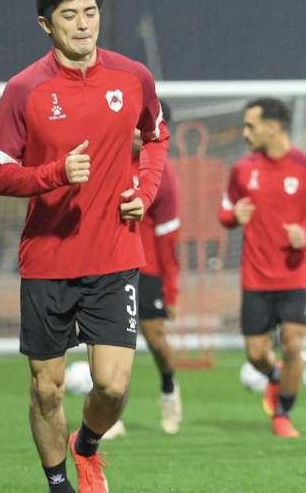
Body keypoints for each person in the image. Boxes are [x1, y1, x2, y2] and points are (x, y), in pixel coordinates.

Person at [0, 0, 168, 493]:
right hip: (47, 260)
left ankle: (86, 444)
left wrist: (146, 190)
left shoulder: (133, 76)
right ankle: (60, 483)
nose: (83, 25)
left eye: (90, 13)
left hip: (114, 255)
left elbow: (156, 137)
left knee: (112, 385)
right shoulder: (24, 89)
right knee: (47, 389)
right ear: (46, 24)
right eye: (69, 16)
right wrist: (54, 173)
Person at [218, 97, 306, 438]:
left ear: (272, 128)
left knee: (292, 343)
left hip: (295, 274)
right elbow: (225, 212)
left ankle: (283, 414)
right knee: (256, 353)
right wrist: (233, 217)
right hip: (256, 275)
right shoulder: (243, 169)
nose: (245, 133)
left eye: (250, 126)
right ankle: (273, 376)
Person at [104, 101, 184, 440]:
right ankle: (109, 416)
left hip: (147, 268)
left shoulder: (162, 171)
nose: (136, 131)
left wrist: (172, 291)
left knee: (155, 340)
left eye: (143, 125)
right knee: (112, 345)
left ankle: (169, 388)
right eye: (132, 123)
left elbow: (168, 238)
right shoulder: (108, 158)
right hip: (109, 267)